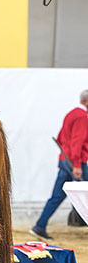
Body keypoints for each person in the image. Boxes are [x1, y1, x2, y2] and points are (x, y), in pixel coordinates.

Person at [31, 89, 88, 240]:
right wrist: (77, 165)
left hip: (64, 161)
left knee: (56, 196)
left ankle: (39, 226)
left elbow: (61, 137)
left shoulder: (71, 114)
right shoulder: (83, 117)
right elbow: (78, 142)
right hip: (76, 163)